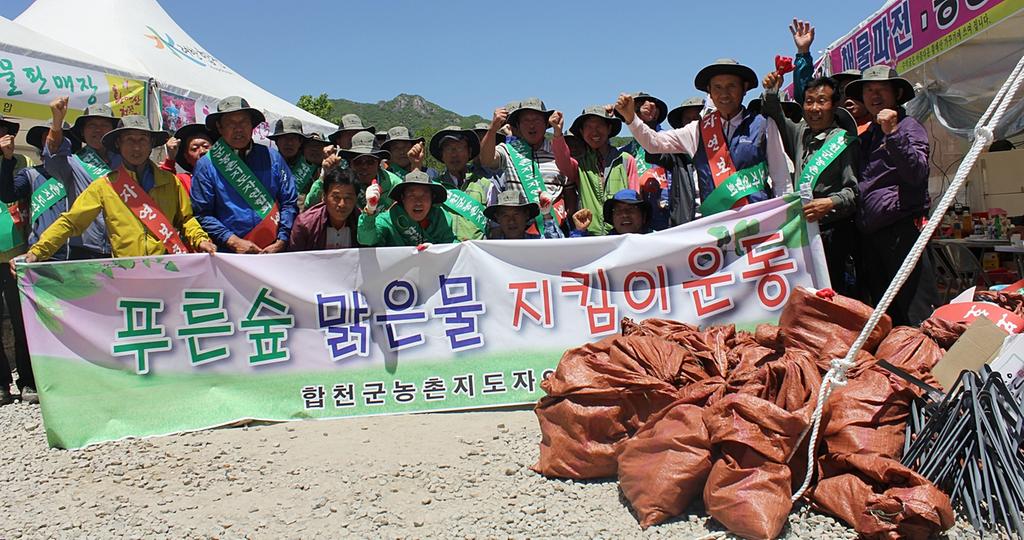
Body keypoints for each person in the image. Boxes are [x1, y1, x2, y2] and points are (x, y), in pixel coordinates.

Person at [20, 115, 215, 264]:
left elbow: (186, 219)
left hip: (166, 266)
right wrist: (37, 252)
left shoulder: (171, 182)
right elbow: (71, 222)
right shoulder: (105, 186)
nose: (136, 147)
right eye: (129, 140)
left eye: (142, 140)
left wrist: (201, 240)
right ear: (118, 145)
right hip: (125, 271)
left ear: (151, 145)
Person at [618, 59, 790, 219]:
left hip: (757, 220)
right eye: (717, 87)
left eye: (731, 86)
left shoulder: (763, 125)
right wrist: (631, 119)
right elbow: (654, 143)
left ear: (744, 88)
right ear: (709, 92)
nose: (724, 94)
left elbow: (781, 179)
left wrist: (786, 218)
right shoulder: (699, 129)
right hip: (715, 225)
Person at [845, 65, 939, 326]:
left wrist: (893, 133)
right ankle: (899, 364)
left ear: (896, 94)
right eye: (868, 90)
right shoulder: (869, 135)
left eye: (881, 89)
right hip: (872, 237)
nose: (874, 95)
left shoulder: (908, 126)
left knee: (916, 311)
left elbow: (917, 173)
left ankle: (931, 361)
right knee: (888, 313)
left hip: (901, 231)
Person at [762, 72, 861, 296]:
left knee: (837, 292)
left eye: (822, 101)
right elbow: (775, 114)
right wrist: (771, 91)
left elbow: (854, 191)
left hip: (834, 231)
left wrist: (830, 202)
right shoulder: (799, 133)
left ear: (834, 105)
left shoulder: (845, 141)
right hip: (804, 231)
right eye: (809, 101)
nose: (814, 108)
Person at [190, 96, 298, 254]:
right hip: (230, 254)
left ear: (252, 126)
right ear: (220, 127)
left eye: (243, 122)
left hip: (273, 251)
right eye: (230, 123)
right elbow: (202, 213)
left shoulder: (272, 158)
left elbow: (289, 202)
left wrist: (282, 239)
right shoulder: (207, 165)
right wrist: (232, 241)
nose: (238, 128)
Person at [478, 98, 572, 228]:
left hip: (555, 229)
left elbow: (570, 191)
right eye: (526, 121)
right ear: (518, 126)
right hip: (519, 233)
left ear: (546, 124)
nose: (531, 125)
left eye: (537, 120)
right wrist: (492, 129)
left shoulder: (558, 152)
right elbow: (486, 160)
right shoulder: (508, 150)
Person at [41, 97, 114, 258]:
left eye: (104, 125)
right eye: (92, 125)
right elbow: (53, 155)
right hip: (84, 251)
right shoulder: (71, 163)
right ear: (82, 131)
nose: (98, 130)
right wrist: (57, 121)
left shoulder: (126, 163)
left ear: (113, 131)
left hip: (122, 249)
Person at [553, 107, 638, 236]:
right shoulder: (579, 164)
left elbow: (634, 197)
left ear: (609, 129)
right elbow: (562, 162)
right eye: (589, 127)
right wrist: (558, 133)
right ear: (581, 132)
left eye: (599, 126)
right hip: (589, 234)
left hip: (621, 234)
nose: (594, 132)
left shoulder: (626, 160)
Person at [0, 116, 35, 405]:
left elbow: (10, 192)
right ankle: (1, 384)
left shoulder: (22, 161)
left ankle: (27, 380)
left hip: (15, 252)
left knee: (22, 319)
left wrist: (8, 159)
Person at [357, 170, 455, 247]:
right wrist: (370, 209)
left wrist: (437, 251)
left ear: (432, 198)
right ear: (402, 198)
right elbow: (366, 239)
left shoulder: (442, 218)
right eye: (411, 195)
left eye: (424, 195)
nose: (418, 202)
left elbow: (453, 245)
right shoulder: (388, 219)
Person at [427, 126, 491, 241]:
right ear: (442, 155)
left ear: (469, 152)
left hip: (477, 253)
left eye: (460, 148)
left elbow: (495, 226)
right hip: (444, 252)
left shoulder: (485, 185)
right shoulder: (434, 187)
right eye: (448, 149)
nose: (454, 154)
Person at [288, 167, 360, 251]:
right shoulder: (305, 224)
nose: (342, 204)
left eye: (348, 198)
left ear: (356, 199)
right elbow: (295, 260)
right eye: (336, 197)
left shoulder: (363, 224)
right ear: (324, 197)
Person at [484, 189, 563, 240]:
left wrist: (546, 215)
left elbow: (556, 248)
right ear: (498, 218)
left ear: (526, 215)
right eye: (505, 216)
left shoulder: (536, 242)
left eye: (516, 214)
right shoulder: (490, 249)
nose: (511, 221)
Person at [269, 117, 319, 197]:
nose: (289, 143)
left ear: (300, 142)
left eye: (293, 138)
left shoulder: (310, 167)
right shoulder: (267, 165)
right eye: (284, 138)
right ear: (276, 141)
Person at [570, 189, 652, 236]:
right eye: (618, 210)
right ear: (612, 218)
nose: (624, 214)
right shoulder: (604, 245)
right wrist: (580, 230)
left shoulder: (657, 241)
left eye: (631, 209)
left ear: (643, 216)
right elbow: (574, 254)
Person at [159, 123, 214, 194]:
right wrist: (170, 159)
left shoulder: (229, 175)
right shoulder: (184, 181)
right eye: (194, 149)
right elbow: (165, 186)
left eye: (206, 146)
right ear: (187, 157)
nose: (202, 151)